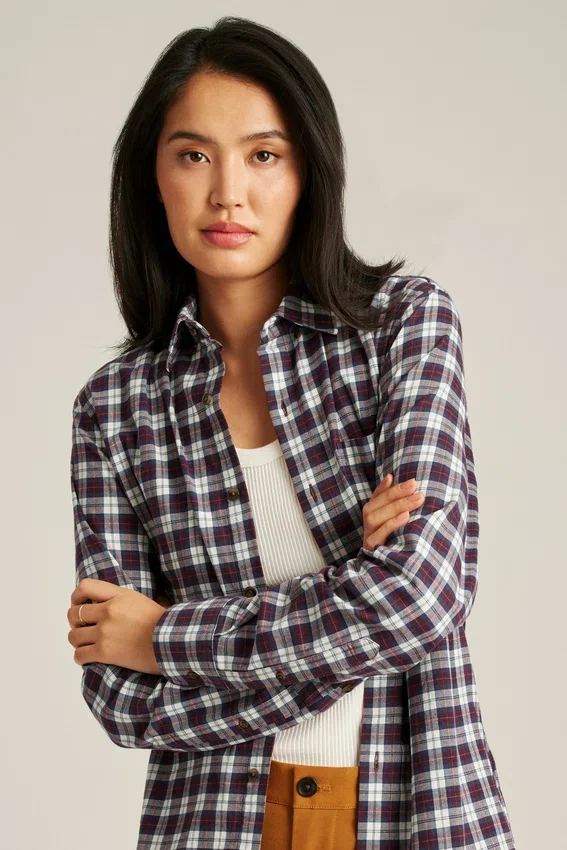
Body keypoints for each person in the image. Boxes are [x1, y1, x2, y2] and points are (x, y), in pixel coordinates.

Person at [66, 16, 516, 850]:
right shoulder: (115, 409)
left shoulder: (401, 328)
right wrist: (357, 604)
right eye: (193, 155)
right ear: (151, 177)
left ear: (309, 172)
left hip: (415, 811)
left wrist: (164, 636)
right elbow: (122, 702)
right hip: (213, 825)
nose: (227, 193)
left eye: (263, 155)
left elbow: (419, 598)